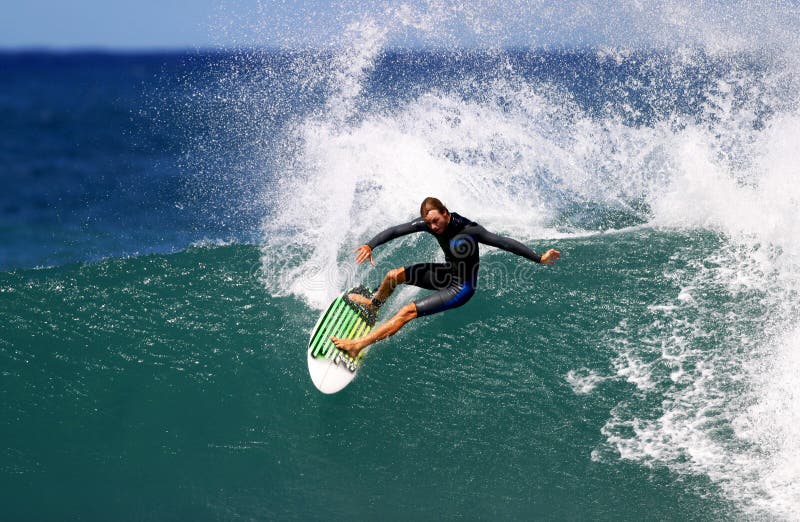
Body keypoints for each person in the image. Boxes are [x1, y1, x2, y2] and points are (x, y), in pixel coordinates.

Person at [331, 197, 560, 358]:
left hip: (460, 288)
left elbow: (503, 242)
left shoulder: (468, 229)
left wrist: (538, 258)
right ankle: (373, 307)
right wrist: (371, 244)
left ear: (446, 214)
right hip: (446, 274)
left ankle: (358, 345)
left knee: (406, 312)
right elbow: (396, 231)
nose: (433, 227)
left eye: (436, 221)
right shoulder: (430, 224)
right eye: (428, 222)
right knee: (393, 276)